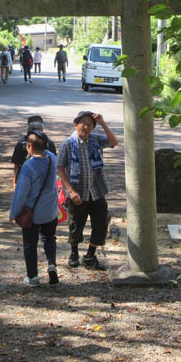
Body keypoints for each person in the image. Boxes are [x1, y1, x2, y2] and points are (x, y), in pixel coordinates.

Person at [57, 110, 119, 271]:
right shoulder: (67, 144)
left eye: (90, 124)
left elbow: (114, 142)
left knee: (101, 224)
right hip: (77, 192)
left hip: (96, 190)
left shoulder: (95, 140)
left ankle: (90, 255)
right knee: (76, 225)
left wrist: (103, 123)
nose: (86, 127)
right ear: (76, 124)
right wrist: (71, 191)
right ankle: (74, 254)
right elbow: (60, 168)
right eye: (83, 123)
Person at [9, 128, 59, 286]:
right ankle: (51, 265)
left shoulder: (28, 166)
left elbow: (21, 194)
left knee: (30, 243)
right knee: (49, 238)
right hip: (51, 211)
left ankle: (33, 277)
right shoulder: (52, 158)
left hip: (33, 214)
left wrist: (13, 213)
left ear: (29, 146)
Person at [11, 116, 57, 185]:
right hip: (45, 180)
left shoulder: (22, 143)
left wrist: (15, 182)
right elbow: (54, 165)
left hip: (25, 179)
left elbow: (16, 165)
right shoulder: (49, 143)